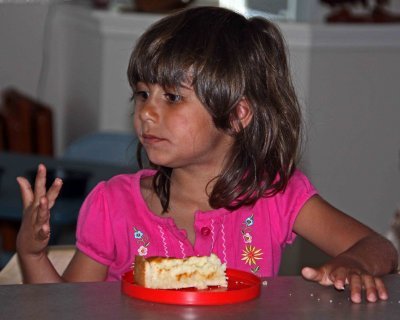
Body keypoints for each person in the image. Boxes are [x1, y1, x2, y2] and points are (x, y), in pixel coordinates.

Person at [16, 6, 397, 303]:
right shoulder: (113, 205)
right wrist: (31, 254)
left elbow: (380, 248)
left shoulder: (275, 196)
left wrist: (355, 264)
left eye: (172, 97)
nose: (147, 111)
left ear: (236, 115)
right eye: (143, 94)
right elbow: (67, 306)